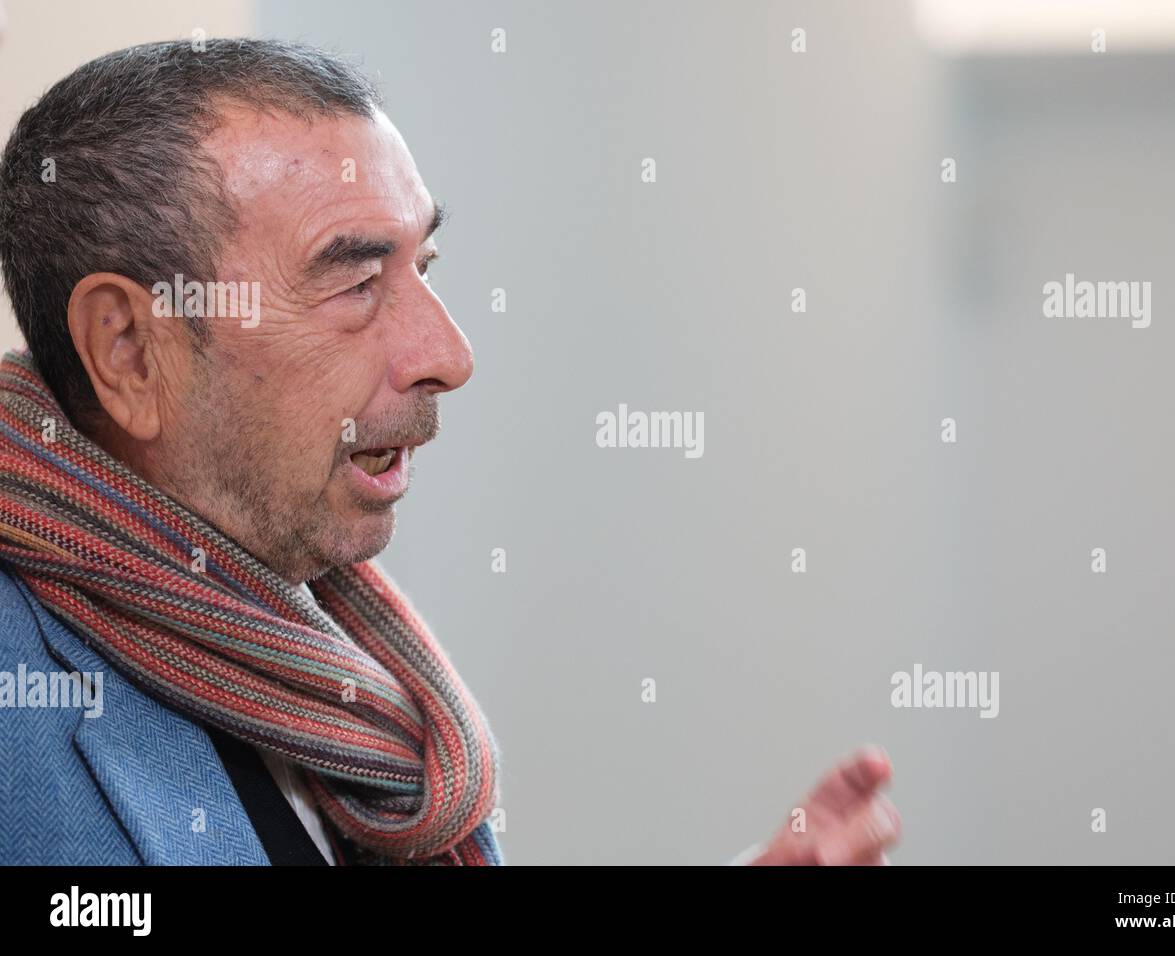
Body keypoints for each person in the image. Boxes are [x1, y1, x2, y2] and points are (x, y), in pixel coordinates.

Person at [0, 37, 900, 865]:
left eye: (422, 267)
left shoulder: (336, 651)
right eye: (356, 282)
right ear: (128, 349)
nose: (451, 357)